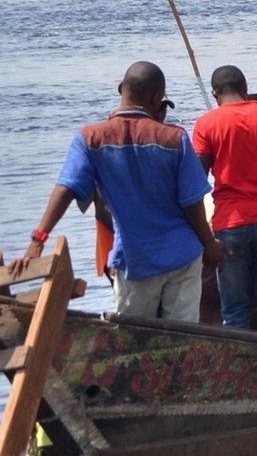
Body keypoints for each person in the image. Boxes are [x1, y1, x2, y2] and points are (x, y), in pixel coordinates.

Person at [13, 62, 219, 318]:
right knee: (185, 338)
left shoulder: (90, 138)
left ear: (121, 88)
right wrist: (209, 244)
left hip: (136, 259)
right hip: (182, 256)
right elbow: (192, 201)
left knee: (135, 340)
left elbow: (66, 188)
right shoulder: (175, 139)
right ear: (157, 98)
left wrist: (37, 241)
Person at [192, 65, 257, 332]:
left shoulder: (207, 123)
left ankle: (241, 371)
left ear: (215, 93)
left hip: (230, 224)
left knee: (235, 310)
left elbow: (195, 180)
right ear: (245, 88)